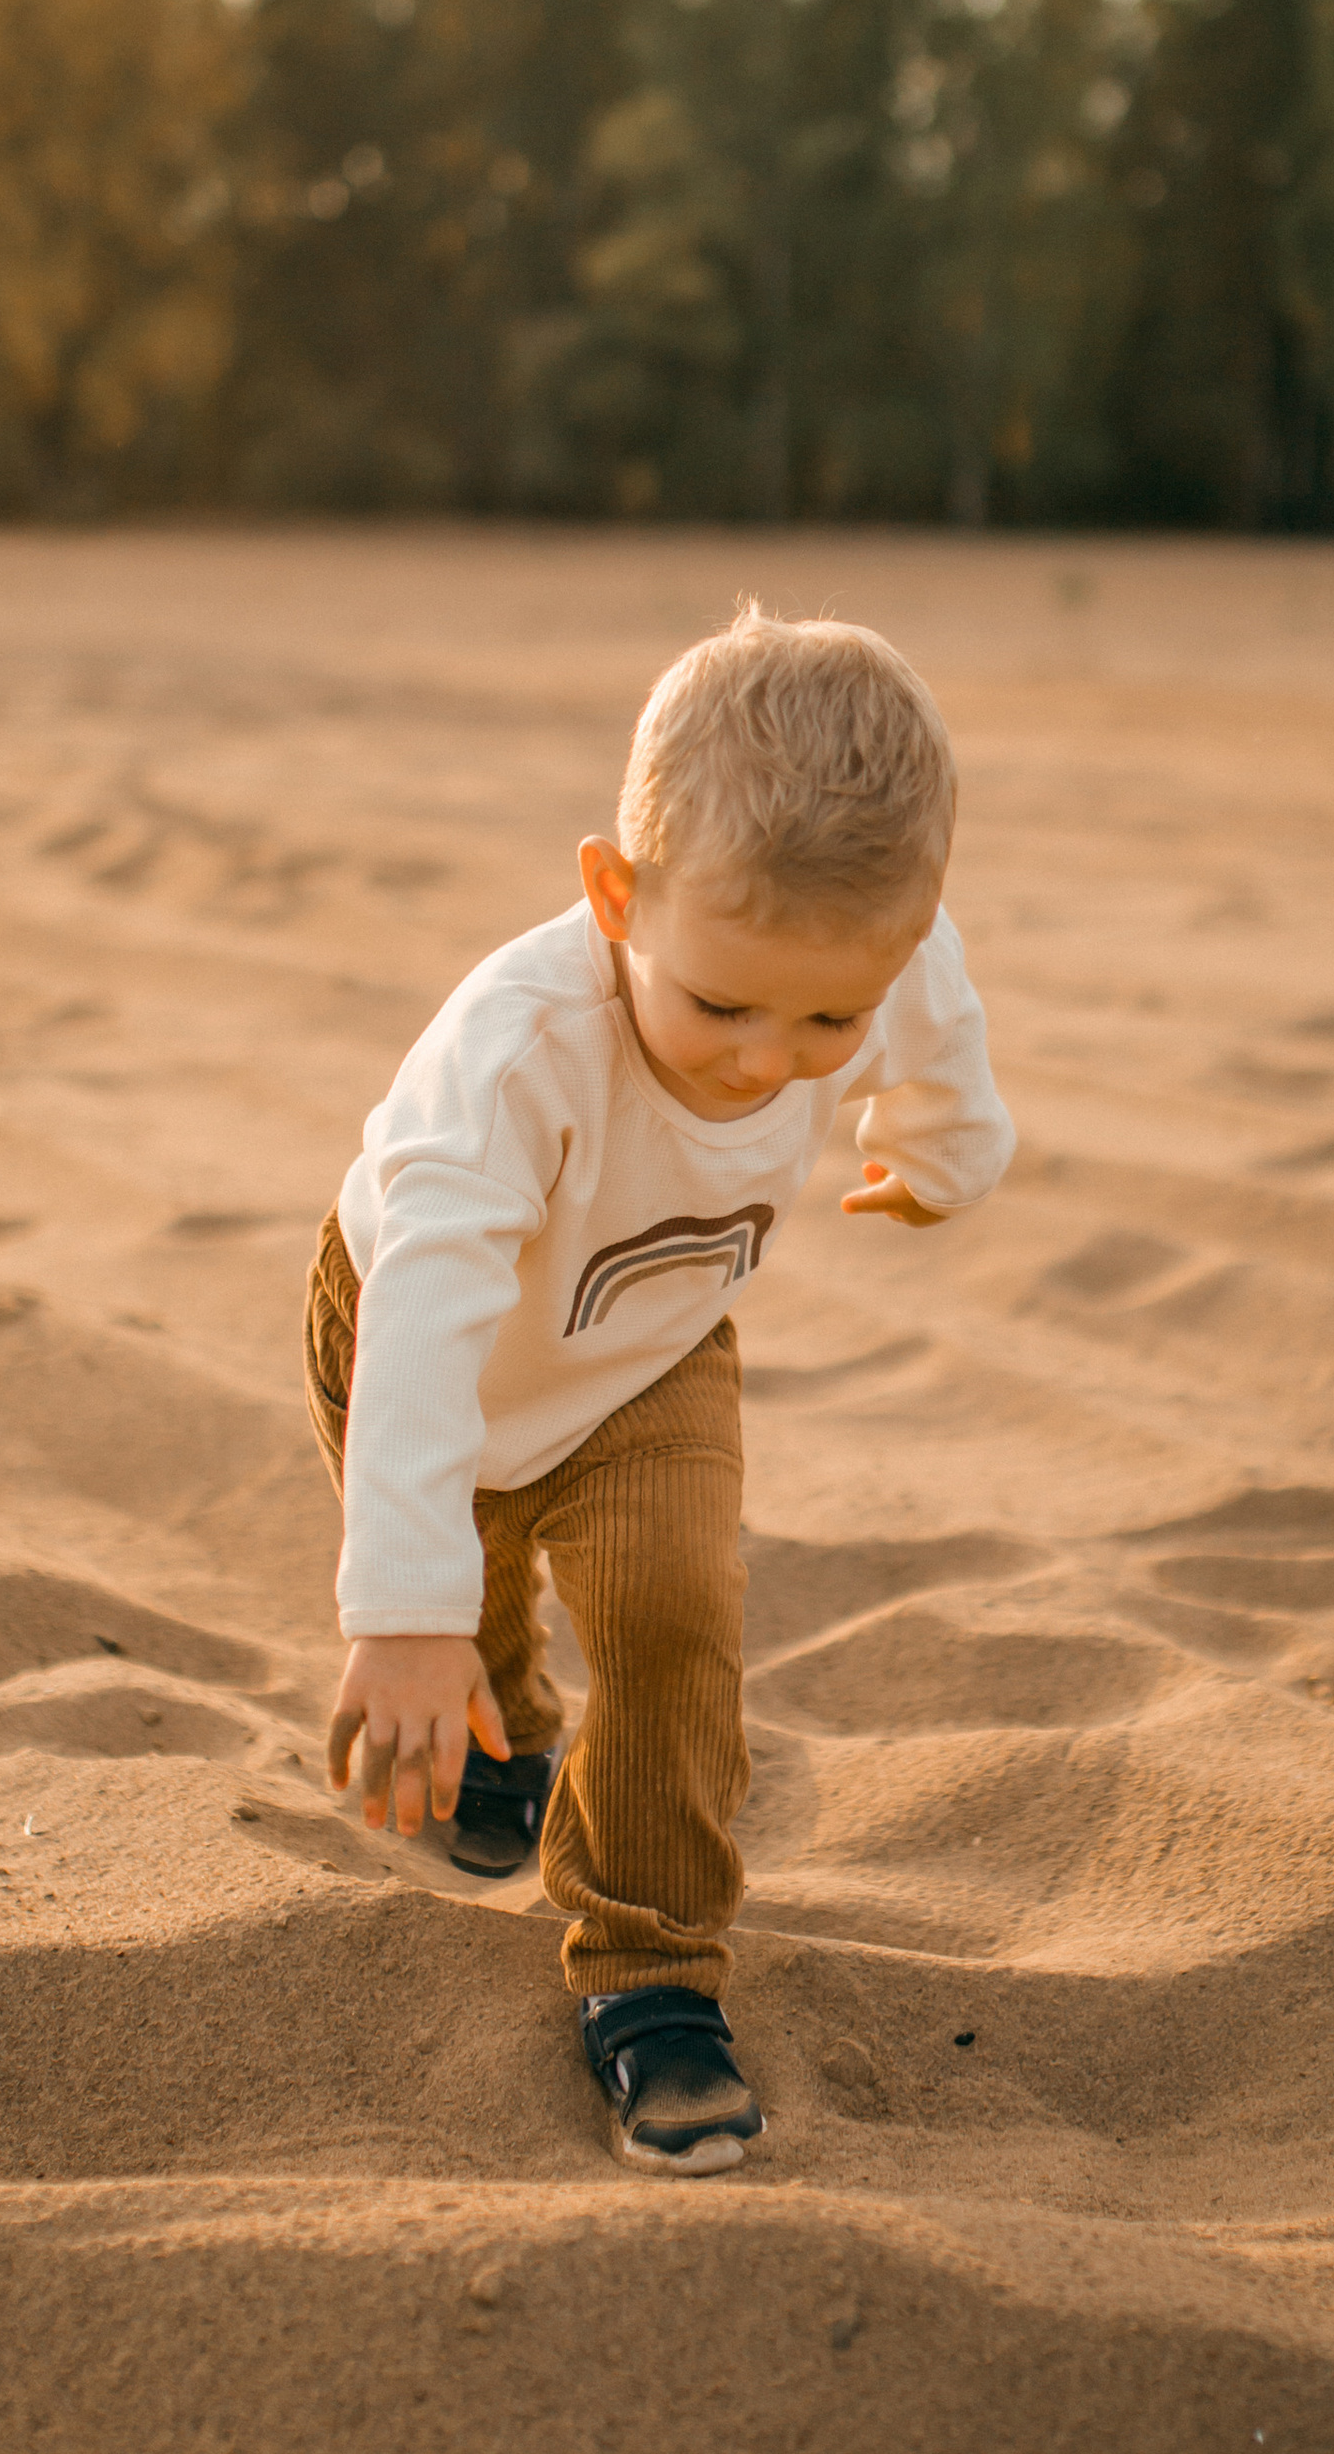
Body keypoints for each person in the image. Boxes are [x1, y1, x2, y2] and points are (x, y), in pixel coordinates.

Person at [303, 602, 1015, 2176]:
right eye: (723, 1005)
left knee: (676, 1618)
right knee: (467, 1625)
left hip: (654, 1354)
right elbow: (427, 1315)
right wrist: (406, 1614)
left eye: (827, 1019)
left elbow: (932, 998)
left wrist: (947, 1142)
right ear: (615, 895)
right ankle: (493, 1731)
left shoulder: (862, 948)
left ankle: (652, 1978)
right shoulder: (510, 1059)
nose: (768, 1062)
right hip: (434, 1344)